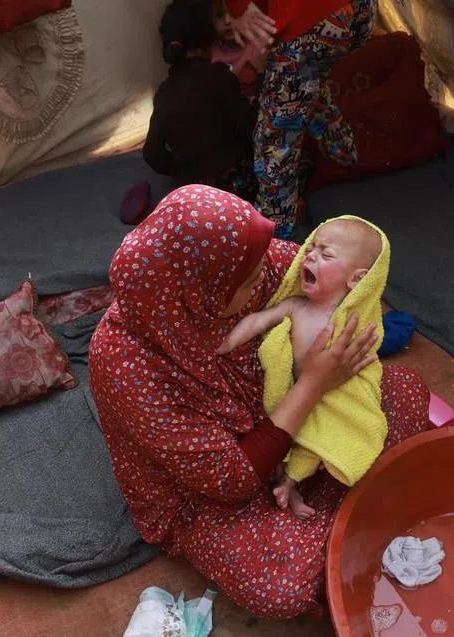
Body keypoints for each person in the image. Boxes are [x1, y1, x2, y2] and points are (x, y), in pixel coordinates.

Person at [88, 186, 430, 618]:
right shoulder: (126, 362)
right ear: (201, 293)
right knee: (282, 585)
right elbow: (228, 483)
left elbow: (353, 289)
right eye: (247, 283)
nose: (263, 282)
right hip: (213, 490)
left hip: (295, 421)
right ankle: (345, 509)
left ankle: (325, 509)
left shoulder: (254, 263)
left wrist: (345, 335)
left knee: (404, 393)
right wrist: (313, 385)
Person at [216, 216, 388, 520]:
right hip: (292, 394)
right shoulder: (296, 306)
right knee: (279, 441)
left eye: (327, 254)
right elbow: (258, 321)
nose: (310, 255)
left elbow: (363, 360)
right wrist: (224, 345)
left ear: (357, 280)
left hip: (330, 399)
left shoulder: (350, 323)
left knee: (314, 447)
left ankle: (291, 484)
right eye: (311, 248)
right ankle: (286, 484)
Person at [225, 0, 374, 237]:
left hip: (309, 19)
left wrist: (238, 8)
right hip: (356, 11)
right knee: (305, 81)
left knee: (275, 141)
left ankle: (271, 246)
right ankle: (344, 153)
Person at [142, 0, 258, 198]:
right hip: (233, 187)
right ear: (209, 38)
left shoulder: (164, 92)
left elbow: (152, 153)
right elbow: (250, 127)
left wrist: (180, 169)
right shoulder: (219, 76)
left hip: (191, 193)